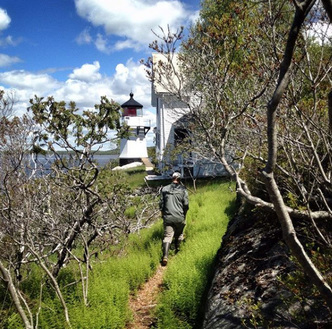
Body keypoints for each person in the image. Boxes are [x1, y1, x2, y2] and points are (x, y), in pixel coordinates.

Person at [159, 171, 189, 266]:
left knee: (167, 237)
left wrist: (163, 214)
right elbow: (186, 205)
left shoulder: (164, 189)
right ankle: (177, 251)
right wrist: (184, 215)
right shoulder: (183, 190)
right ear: (179, 180)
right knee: (179, 234)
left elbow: (161, 204)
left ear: (172, 178)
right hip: (179, 217)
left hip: (168, 217)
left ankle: (165, 256)